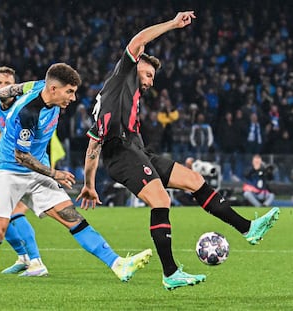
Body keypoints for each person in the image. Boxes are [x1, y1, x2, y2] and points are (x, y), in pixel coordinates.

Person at [76, 11, 280, 290]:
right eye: (147, 73)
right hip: (121, 153)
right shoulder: (122, 77)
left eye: (152, 76)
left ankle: (247, 228)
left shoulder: (127, 93)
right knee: (161, 201)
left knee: (195, 181)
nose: (150, 80)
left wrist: (89, 184)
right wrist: (172, 24)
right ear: (135, 65)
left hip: (137, 151)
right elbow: (136, 42)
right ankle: (170, 273)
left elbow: (92, 142)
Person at [0, 63, 152, 304]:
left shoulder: (40, 86)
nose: (73, 98)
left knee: (72, 217)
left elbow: (16, 88)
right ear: (54, 89)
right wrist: (54, 173)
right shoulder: (28, 113)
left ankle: (118, 264)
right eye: (69, 92)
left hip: (38, 169)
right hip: (8, 170)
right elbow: (21, 156)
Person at [0, 66, 47, 276]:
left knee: (14, 211)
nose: (2, 88)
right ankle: (24, 257)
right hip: (8, 165)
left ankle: (36, 262)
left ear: (16, 88)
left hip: (25, 166)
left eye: (8, 85)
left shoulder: (23, 106)